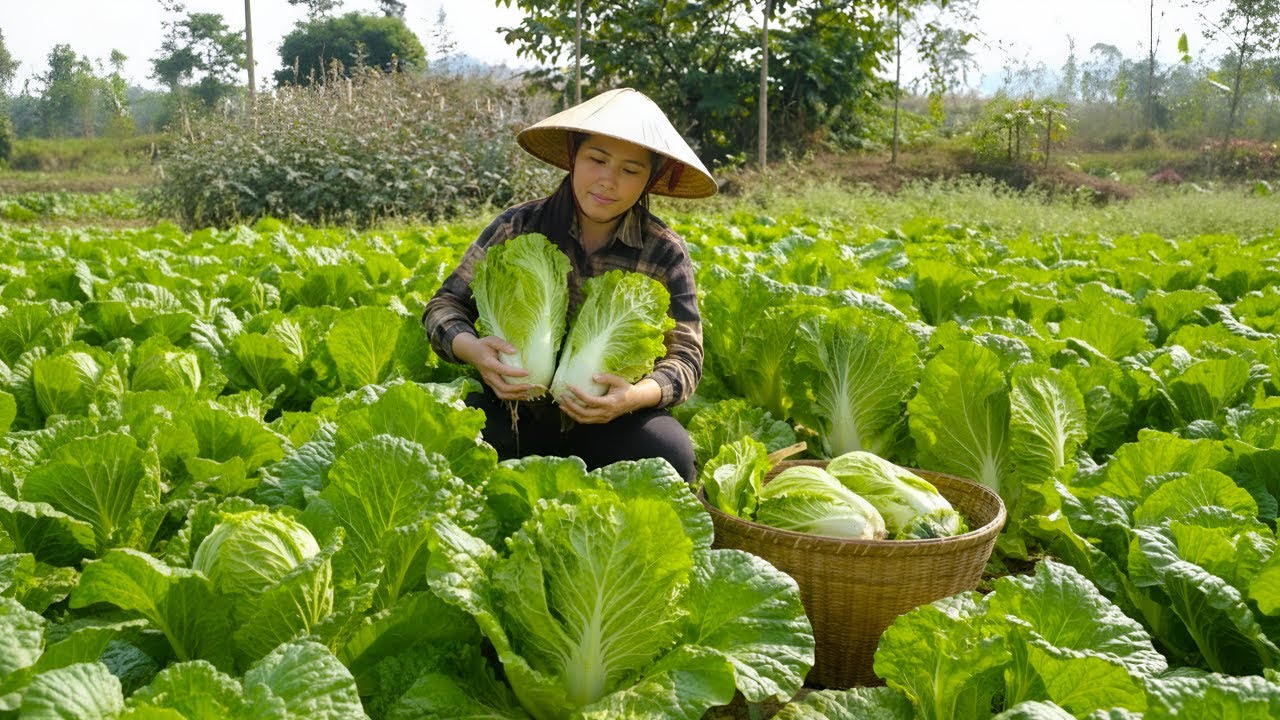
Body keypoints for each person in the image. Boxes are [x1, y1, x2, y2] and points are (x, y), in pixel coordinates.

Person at [422, 88, 717, 483]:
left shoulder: (664, 251)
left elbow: (686, 358)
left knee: (670, 454)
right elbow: (443, 306)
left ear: (650, 179)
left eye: (630, 170)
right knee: (445, 434)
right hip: (514, 407)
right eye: (597, 160)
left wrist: (632, 397)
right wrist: (474, 351)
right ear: (573, 156)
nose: (608, 181)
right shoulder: (518, 225)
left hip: (609, 418)